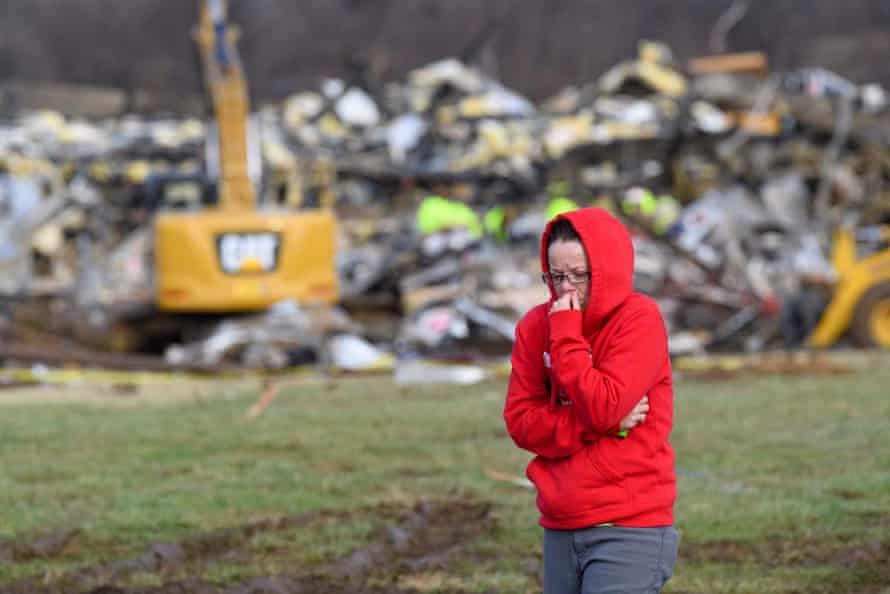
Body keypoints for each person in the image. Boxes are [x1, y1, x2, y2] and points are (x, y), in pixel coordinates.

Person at [503, 207, 678, 594]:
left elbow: (603, 404)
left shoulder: (639, 319)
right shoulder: (534, 326)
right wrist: (595, 425)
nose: (566, 289)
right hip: (561, 523)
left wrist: (566, 334)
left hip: (629, 524)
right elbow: (521, 422)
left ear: (608, 269)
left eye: (579, 276)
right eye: (556, 276)